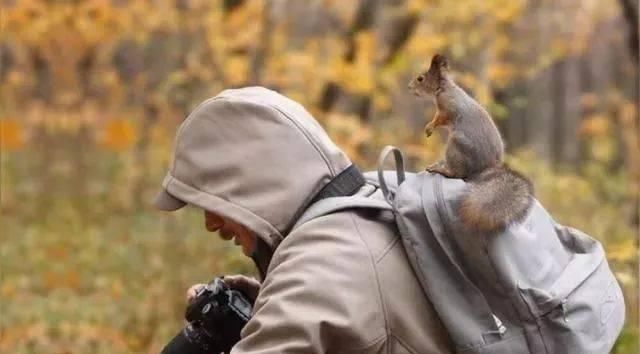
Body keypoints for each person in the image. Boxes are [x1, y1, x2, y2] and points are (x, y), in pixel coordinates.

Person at [154, 86, 454, 353]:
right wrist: (266, 306)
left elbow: (327, 289)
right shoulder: (372, 209)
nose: (210, 223)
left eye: (214, 200)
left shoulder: (318, 274)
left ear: (253, 184)